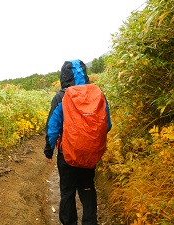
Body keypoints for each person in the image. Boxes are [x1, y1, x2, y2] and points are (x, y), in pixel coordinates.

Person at [44, 59, 112, 225]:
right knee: (87, 188)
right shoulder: (98, 94)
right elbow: (107, 125)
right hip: (89, 154)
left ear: (63, 76)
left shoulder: (61, 97)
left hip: (66, 154)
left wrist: (48, 150)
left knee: (67, 191)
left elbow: (53, 128)